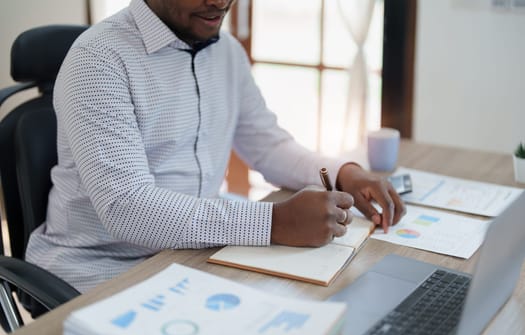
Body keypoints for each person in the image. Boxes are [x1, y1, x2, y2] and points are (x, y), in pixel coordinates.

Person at [25, 0, 406, 293]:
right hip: (100, 267)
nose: (222, 1)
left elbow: (269, 146)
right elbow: (129, 208)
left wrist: (345, 174)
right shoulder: (98, 59)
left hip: (194, 252)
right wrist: (276, 222)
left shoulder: (226, 52)